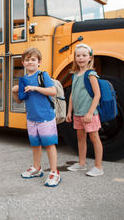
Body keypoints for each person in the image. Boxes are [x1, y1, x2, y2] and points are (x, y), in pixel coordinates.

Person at [12, 47, 61, 187]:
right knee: (35, 145)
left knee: (49, 145)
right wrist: (14, 92)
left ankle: (54, 172)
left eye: (33, 59)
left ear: (39, 62)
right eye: (27, 60)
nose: (30, 62)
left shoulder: (42, 75)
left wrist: (35, 88)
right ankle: (37, 168)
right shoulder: (24, 79)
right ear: (23, 63)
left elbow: (53, 91)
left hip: (45, 117)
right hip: (31, 118)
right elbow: (19, 100)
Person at [66, 43, 104, 177]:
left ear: (90, 58)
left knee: (94, 137)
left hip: (90, 114)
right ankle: (82, 164)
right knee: (80, 138)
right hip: (78, 113)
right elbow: (72, 95)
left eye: (84, 55)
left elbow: (97, 94)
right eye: (78, 55)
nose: (81, 58)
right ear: (75, 58)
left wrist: (89, 112)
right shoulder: (75, 75)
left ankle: (98, 167)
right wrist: (69, 111)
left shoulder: (91, 74)